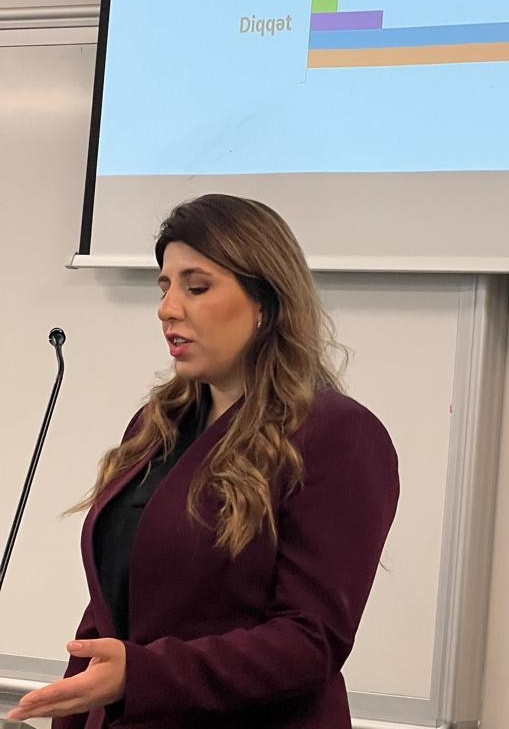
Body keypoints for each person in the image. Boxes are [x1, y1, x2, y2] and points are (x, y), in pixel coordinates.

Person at [8, 194, 399, 729]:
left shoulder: (337, 435)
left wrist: (140, 675)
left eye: (196, 287)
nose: (168, 308)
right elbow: (110, 610)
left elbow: (310, 642)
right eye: (164, 287)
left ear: (266, 302)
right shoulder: (157, 425)